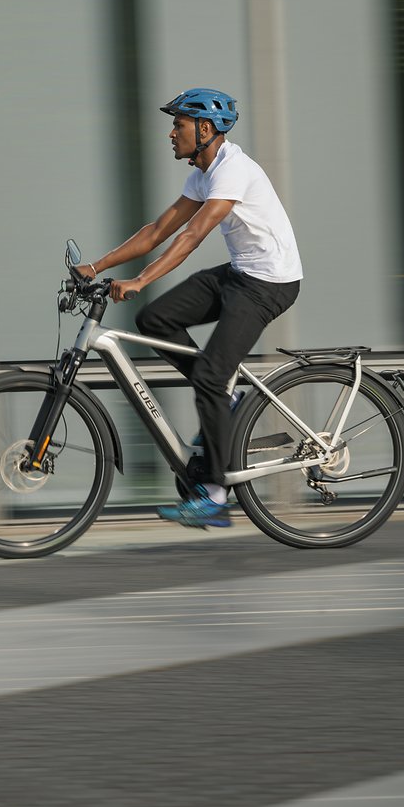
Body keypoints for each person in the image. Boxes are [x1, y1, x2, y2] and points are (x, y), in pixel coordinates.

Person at [74, 88, 302, 529]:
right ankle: (226, 399)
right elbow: (158, 229)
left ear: (205, 129)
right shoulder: (203, 173)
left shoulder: (233, 170)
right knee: (154, 318)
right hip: (240, 274)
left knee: (210, 378)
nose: (171, 133)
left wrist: (140, 280)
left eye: (178, 125)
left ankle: (215, 494)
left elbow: (192, 236)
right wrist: (97, 266)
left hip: (269, 283)